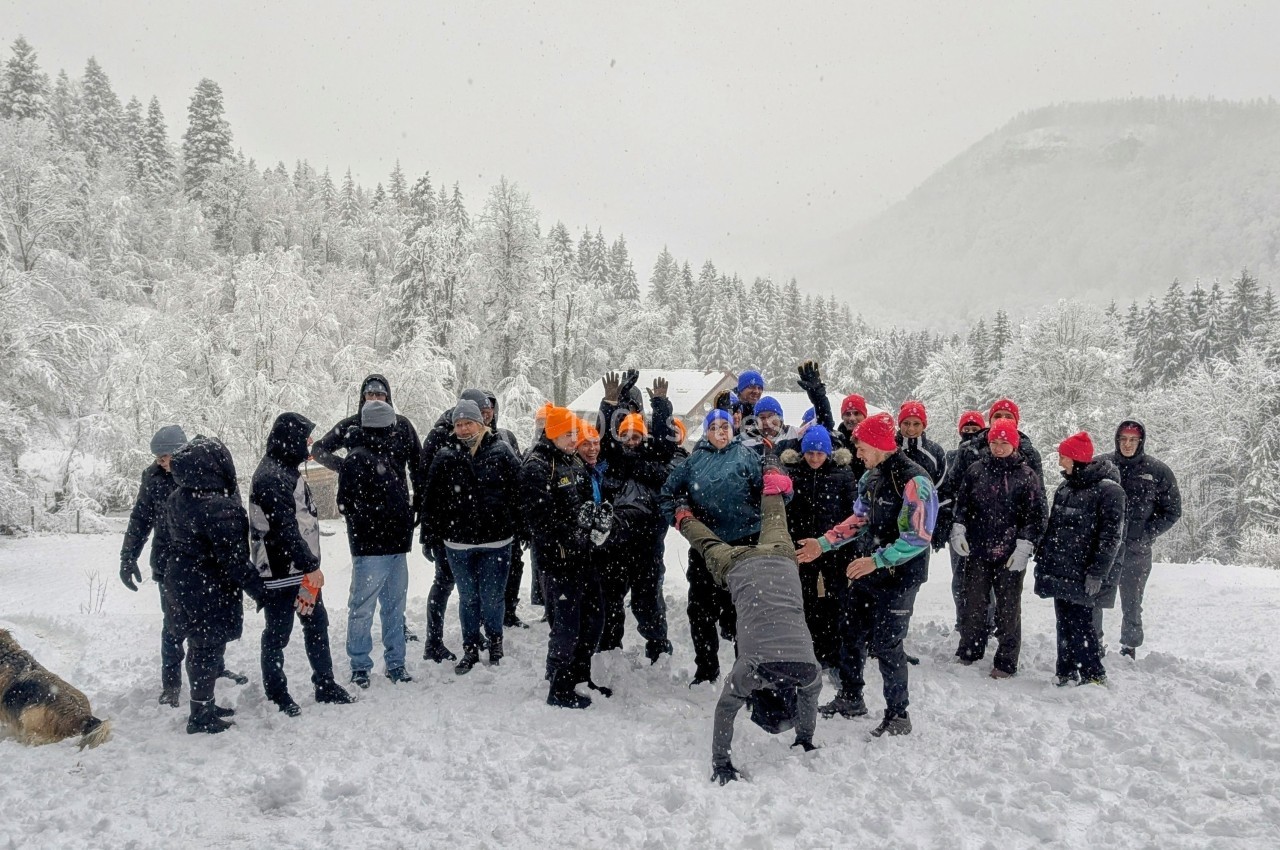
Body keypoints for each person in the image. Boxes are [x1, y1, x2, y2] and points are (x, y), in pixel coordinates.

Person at [796, 412, 938, 737]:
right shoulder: (871, 478)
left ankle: (898, 715)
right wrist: (823, 543)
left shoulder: (915, 481)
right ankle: (851, 697)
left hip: (900, 576)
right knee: (850, 632)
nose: (857, 454)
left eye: (861, 447)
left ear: (878, 445)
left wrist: (878, 560)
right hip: (869, 569)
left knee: (887, 644)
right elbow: (859, 520)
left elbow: (918, 537)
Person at [676, 474, 821, 786]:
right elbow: (725, 712)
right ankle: (683, 515)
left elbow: (808, 705)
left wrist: (805, 737)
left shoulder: (810, 670)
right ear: (759, 695)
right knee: (707, 543)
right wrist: (721, 763)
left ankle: (772, 485)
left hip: (782, 561)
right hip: (739, 565)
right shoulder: (750, 672)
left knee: (776, 521)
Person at [249, 413, 353, 715]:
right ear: (289, 440)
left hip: (301, 572)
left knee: (316, 625)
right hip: (280, 572)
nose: (309, 442)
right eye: (304, 437)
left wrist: (308, 566)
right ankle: (277, 694)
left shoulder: (285, 469)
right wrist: (310, 565)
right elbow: (284, 529)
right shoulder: (271, 476)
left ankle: (325, 684)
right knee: (278, 634)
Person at [163, 436, 265, 734]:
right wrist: (259, 590)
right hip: (208, 587)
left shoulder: (179, 497)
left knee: (200, 646)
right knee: (206, 649)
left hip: (184, 581)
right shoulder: (219, 507)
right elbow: (233, 560)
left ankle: (203, 705)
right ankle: (200, 715)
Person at [314, 373, 425, 644]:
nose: (375, 399)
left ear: (388, 397)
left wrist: (419, 501)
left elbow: (418, 464)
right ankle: (360, 641)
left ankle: (397, 626)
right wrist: (344, 466)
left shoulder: (402, 426)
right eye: (370, 394)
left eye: (380, 394)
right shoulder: (353, 425)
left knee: (395, 582)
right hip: (364, 520)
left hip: (396, 515)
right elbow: (318, 449)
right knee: (365, 581)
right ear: (362, 398)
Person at [660, 408, 763, 685]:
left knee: (743, 612)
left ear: (733, 429)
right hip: (705, 545)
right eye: (714, 427)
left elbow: (769, 492)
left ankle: (747, 672)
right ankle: (706, 670)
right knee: (700, 611)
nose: (720, 431)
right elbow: (667, 492)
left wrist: (780, 488)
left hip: (744, 544)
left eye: (725, 426)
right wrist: (679, 514)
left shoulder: (747, 456)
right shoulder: (694, 461)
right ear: (706, 432)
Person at [520, 407, 614, 708]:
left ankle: (580, 677)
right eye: (569, 434)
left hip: (584, 558)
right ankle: (559, 687)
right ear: (553, 433)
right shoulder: (537, 466)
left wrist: (597, 526)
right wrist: (573, 534)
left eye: (576, 433)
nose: (575, 439)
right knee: (566, 627)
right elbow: (539, 521)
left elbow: (586, 503)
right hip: (558, 563)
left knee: (594, 620)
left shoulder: (571, 460)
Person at [423, 399, 521, 674]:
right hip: (458, 543)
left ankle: (495, 641)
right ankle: (470, 649)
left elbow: (518, 490)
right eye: (459, 424)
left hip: (496, 541)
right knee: (468, 598)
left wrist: (520, 526)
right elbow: (432, 500)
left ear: (481, 423)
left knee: (493, 597)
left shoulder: (501, 450)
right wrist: (429, 536)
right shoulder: (445, 455)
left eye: (468, 423)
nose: (464, 429)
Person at [949, 419, 1047, 678]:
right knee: (974, 603)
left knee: (1008, 608)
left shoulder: (1027, 476)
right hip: (978, 550)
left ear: (1014, 444)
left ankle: (1006, 660)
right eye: (994, 442)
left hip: (1010, 553)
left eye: (1004, 442)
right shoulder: (976, 470)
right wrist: (958, 528)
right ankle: (970, 649)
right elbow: (963, 504)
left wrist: (1025, 545)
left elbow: (1035, 516)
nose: (999, 447)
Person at [1034, 432, 1125, 687]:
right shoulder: (1065, 488)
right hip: (1061, 568)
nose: (1060, 461)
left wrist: (1097, 572)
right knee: (1064, 622)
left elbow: (1111, 537)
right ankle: (1065, 671)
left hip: (1083, 571)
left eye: (1064, 456)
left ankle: (1093, 674)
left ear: (1076, 458)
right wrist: (1044, 561)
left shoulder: (1109, 491)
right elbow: (1054, 529)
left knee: (1082, 623)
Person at [597, 371, 677, 662]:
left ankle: (658, 646)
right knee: (610, 599)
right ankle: (608, 647)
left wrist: (662, 406)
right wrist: (609, 404)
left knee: (648, 600)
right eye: (626, 436)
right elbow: (602, 437)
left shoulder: (654, 456)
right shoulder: (611, 458)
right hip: (615, 544)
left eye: (637, 436)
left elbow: (667, 445)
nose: (631, 441)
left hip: (647, 542)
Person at [337, 400, 416, 688]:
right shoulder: (357, 458)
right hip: (371, 548)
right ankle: (361, 665)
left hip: (395, 546)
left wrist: (404, 517)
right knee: (364, 608)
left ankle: (395, 663)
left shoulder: (388, 453)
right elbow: (346, 504)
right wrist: (383, 519)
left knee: (394, 608)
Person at [1095, 420, 1182, 659]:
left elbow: (1172, 510)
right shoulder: (1102, 466)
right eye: (1123, 439)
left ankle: (1129, 647)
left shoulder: (1157, 471)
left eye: (1133, 440)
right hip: (1104, 548)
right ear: (1117, 440)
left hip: (1136, 550)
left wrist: (1145, 534)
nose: (1127, 444)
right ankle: (1093, 642)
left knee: (1132, 602)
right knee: (1094, 597)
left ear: (1141, 441)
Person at [119, 425, 190, 706]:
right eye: (157, 458)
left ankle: (215, 669)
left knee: (206, 623)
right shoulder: (153, 478)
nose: (161, 462)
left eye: (165, 457)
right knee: (173, 625)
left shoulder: (199, 471)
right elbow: (140, 519)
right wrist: (128, 557)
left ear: (180, 452)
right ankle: (171, 683)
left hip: (200, 561)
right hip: (167, 563)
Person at [779, 425, 858, 669]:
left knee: (836, 599)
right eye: (810, 453)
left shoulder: (842, 473)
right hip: (802, 546)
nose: (814, 458)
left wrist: (846, 545)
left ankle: (833, 651)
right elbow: (786, 510)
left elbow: (853, 512)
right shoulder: (793, 472)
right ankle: (809, 646)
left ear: (828, 453)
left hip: (834, 547)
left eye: (820, 453)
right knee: (805, 598)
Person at [939, 410, 988, 633]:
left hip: (984, 525)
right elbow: (948, 486)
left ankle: (987, 622)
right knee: (959, 577)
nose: (969, 432)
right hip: (958, 525)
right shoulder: (952, 456)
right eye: (965, 428)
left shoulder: (989, 454)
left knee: (984, 578)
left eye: (974, 428)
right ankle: (962, 621)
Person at [895, 401, 946, 484]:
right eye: (906, 423)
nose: (911, 429)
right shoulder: (888, 448)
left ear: (923, 426)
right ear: (900, 425)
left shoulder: (935, 451)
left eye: (916, 424)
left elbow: (943, 485)